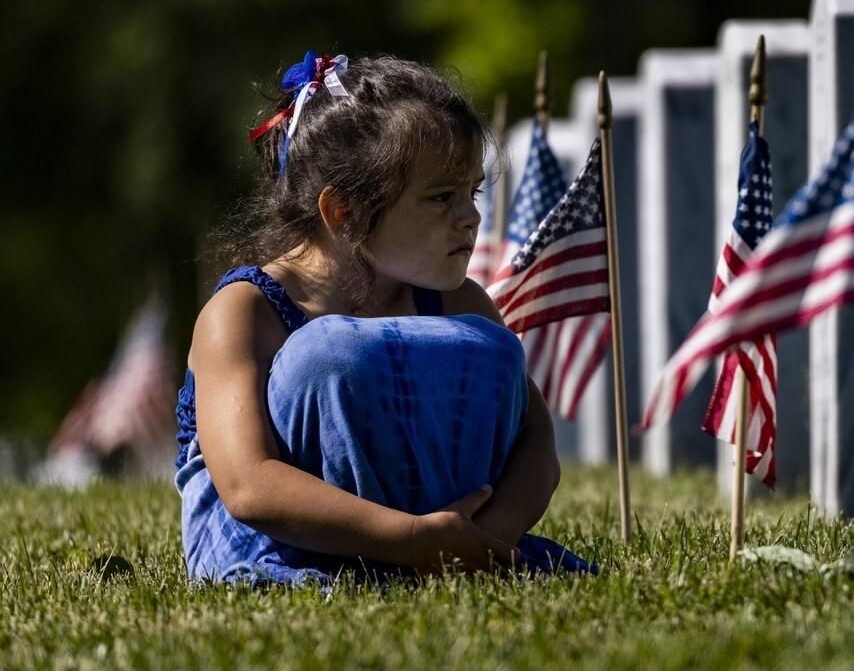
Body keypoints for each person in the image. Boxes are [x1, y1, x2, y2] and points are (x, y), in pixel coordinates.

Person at [174, 51, 593, 585]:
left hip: (451, 540)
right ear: (343, 213)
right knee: (330, 353)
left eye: (473, 191)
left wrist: (477, 540)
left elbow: (536, 440)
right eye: (442, 197)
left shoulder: (459, 304)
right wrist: (414, 541)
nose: (471, 217)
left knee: (490, 349)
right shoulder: (244, 310)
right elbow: (249, 486)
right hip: (272, 550)